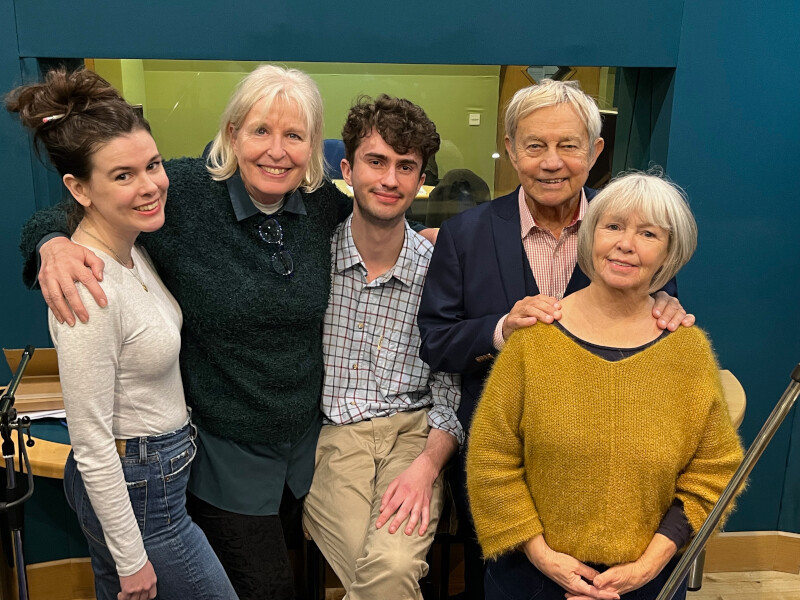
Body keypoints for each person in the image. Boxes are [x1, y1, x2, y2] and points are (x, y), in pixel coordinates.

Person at [18, 65, 347, 600]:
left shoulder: (320, 206)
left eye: (295, 135)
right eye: (261, 130)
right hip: (219, 454)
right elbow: (78, 205)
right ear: (233, 133)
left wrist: (436, 243)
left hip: (301, 449)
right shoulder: (183, 193)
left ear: (313, 148)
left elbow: (376, 224)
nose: (277, 150)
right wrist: (52, 245)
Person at [417, 79, 693, 598]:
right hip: (503, 470)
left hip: (618, 478)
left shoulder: (633, 234)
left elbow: (660, 323)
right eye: (535, 145)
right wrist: (499, 330)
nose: (551, 162)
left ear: (595, 151)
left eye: (568, 145)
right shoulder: (466, 235)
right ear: (511, 149)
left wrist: (667, 314)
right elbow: (435, 341)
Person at [7, 68, 238, 600]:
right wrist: (131, 559)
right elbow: (90, 443)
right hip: (137, 491)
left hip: (157, 478)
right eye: (122, 175)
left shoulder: (132, 246)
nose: (151, 185)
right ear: (79, 188)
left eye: (153, 164)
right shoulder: (84, 286)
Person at [466, 172, 744, 600]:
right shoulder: (533, 341)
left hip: (648, 582)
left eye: (648, 233)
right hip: (531, 577)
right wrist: (543, 557)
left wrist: (648, 565)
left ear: (670, 252)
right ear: (590, 236)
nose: (625, 243)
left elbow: (715, 470)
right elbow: (491, 458)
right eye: (613, 226)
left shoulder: (686, 352)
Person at [302, 95, 461, 599]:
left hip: (415, 439)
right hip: (334, 441)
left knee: (390, 568)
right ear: (347, 169)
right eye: (377, 161)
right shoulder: (310, 263)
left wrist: (428, 467)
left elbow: (450, 386)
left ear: (420, 180)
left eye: (406, 167)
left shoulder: (440, 270)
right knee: (386, 579)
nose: (390, 180)